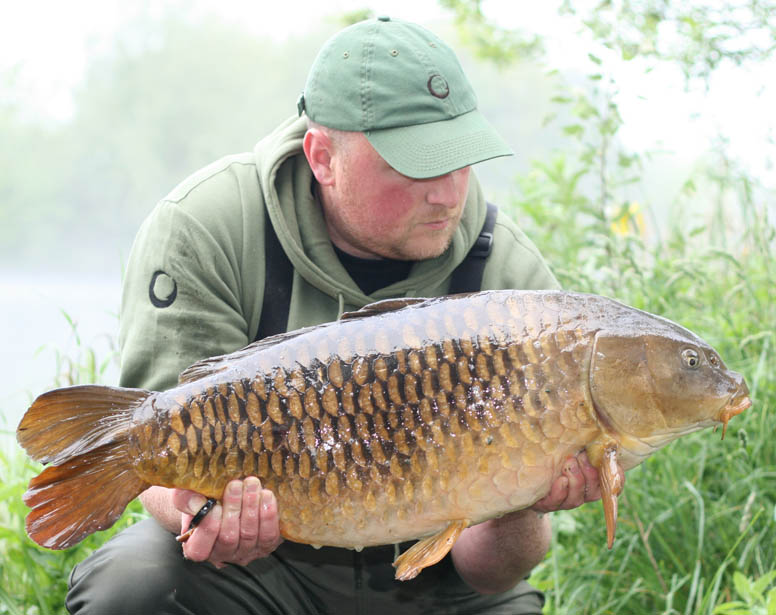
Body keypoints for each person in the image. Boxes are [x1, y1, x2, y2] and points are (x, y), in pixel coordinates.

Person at [66, 16, 613, 615]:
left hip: (432, 582)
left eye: (461, 159)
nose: (448, 194)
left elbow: (488, 573)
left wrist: (524, 499)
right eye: (418, 166)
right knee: (134, 586)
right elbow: (166, 452)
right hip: (266, 570)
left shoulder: (514, 290)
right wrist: (199, 511)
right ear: (322, 157)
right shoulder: (207, 227)